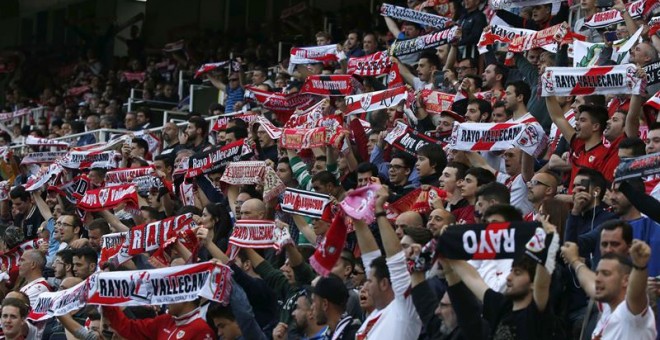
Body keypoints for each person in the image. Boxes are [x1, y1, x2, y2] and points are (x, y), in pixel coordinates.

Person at [353, 186, 422, 339]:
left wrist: (379, 211)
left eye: (369, 281)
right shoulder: (375, 314)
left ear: (384, 283)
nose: (364, 286)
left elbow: (396, 261)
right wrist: (355, 216)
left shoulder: (404, 309)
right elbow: (370, 256)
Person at [103, 299, 215, 340]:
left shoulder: (202, 330)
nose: (167, 299)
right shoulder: (164, 320)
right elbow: (128, 328)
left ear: (186, 297)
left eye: (173, 294)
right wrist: (106, 301)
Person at [311, 274, 361, 340]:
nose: (312, 307)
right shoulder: (332, 334)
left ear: (325, 304)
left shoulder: (354, 335)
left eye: (314, 301)